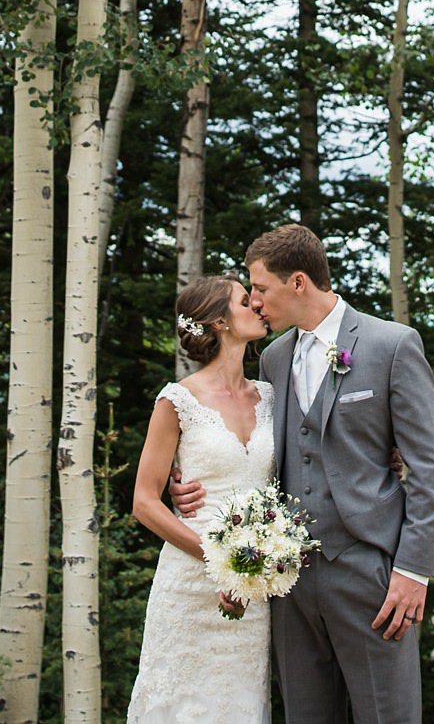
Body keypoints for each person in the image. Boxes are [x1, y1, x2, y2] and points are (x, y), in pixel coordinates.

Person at [248, 223, 434, 724]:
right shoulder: (273, 358)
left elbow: (429, 465)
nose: (253, 302)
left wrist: (413, 571)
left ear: (298, 283)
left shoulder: (391, 345)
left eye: (261, 288)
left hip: (373, 573)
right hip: (292, 579)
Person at [127, 272, 277, 723]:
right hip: (191, 582)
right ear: (218, 322)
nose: (256, 305)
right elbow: (144, 502)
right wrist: (222, 564)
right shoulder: (177, 400)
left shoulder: (270, 396)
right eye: (244, 300)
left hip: (254, 588)